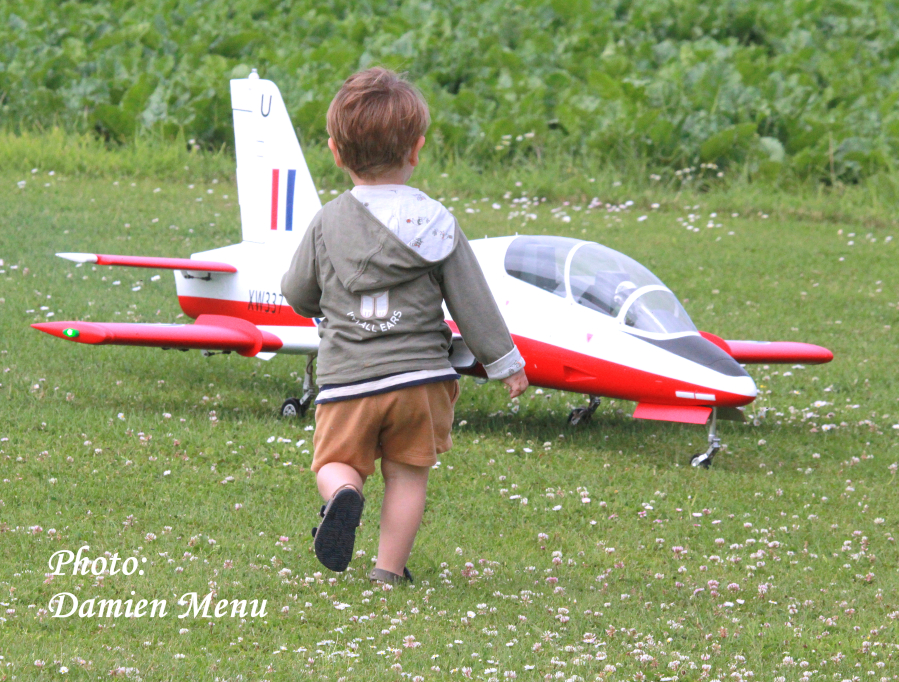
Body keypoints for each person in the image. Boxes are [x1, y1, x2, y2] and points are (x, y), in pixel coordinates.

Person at [280, 67, 528, 585]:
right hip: (420, 382)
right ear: (416, 149)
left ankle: (343, 496)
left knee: (335, 462)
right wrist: (504, 362)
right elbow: (471, 299)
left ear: (335, 151)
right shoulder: (437, 222)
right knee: (407, 475)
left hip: (349, 377)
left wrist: (320, 303)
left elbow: (298, 293)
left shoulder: (327, 223)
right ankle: (388, 571)